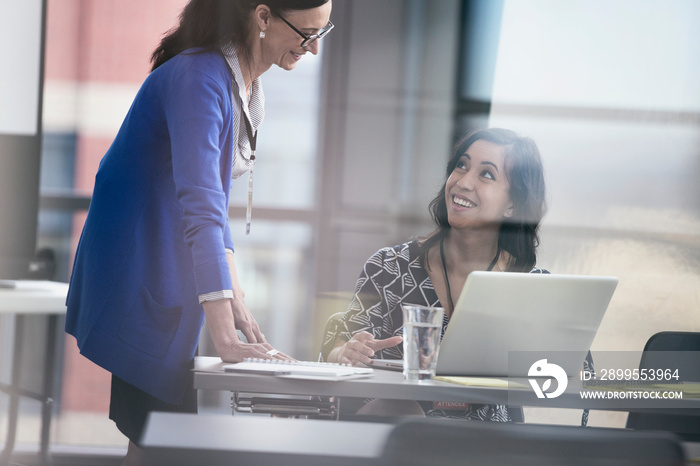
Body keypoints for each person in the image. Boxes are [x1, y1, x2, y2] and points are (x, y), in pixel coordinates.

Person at [64, 1, 333, 463]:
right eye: (306, 34)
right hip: (139, 271)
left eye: (321, 34)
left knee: (157, 442)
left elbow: (212, 209)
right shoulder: (200, 78)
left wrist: (239, 305)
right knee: (159, 442)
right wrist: (226, 337)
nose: (310, 49)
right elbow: (203, 207)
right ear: (263, 17)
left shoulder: (238, 82)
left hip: (166, 267)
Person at [325, 128, 549, 421]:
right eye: (462, 165)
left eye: (487, 174)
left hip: (488, 450)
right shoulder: (389, 268)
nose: (463, 182)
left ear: (512, 205)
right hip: (387, 440)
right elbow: (338, 348)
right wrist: (345, 355)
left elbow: (580, 372)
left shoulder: (529, 287)